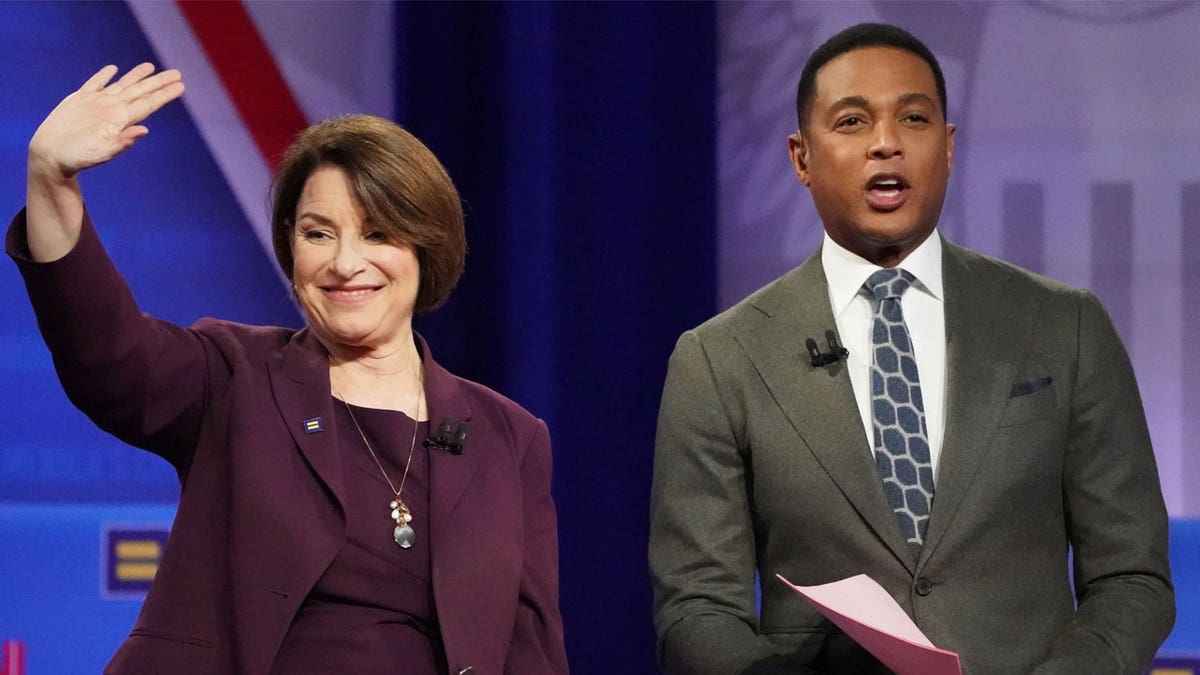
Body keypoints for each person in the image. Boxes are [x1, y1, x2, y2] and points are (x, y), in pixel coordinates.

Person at [649, 23, 1173, 675]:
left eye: (915, 118)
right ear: (801, 157)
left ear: (948, 147)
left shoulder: (1066, 328)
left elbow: (1133, 579)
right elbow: (696, 608)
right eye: (851, 121)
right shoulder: (719, 360)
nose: (887, 144)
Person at [10, 64, 567, 675]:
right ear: (292, 248)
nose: (345, 263)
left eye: (377, 233)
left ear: (424, 247)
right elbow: (106, 358)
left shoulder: (508, 438)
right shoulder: (234, 377)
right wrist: (51, 180)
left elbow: (528, 648)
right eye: (318, 234)